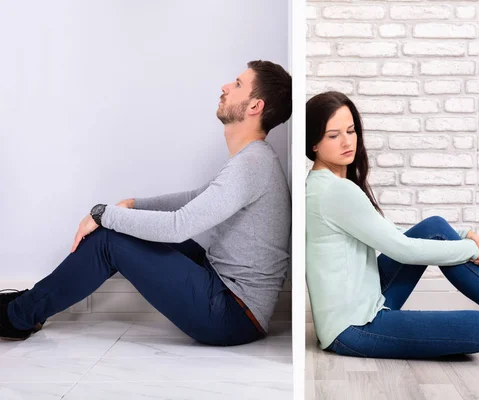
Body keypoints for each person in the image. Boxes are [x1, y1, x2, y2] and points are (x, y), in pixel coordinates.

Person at [0, 60, 292, 346]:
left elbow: (178, 227)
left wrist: (103, 214)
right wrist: (134, 204)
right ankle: (29, 304)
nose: (225, 86)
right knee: (121, 229)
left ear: (255, 106)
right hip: (223, 290)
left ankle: (18, 317)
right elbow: (195, 199)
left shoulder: (251, 164)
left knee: (109, 240)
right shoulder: (253, 159)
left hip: (232, 315)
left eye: (238, 84)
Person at [305, 91, 479, 359]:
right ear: (314, 144)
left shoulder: (327, 185)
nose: (346, 141)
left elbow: (386, 232)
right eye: (333, 135)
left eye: (351, 131)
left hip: (364, 304)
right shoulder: (336, 192)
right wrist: (469, 249)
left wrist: (460, 236)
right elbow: (402, 250)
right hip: (354, 328)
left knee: (434, 227)